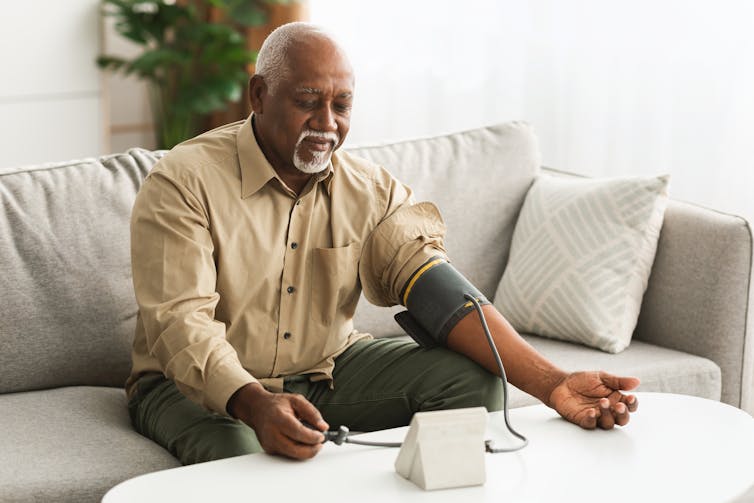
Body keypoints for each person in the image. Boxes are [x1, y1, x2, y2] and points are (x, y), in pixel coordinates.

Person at [126, 22, 639, 465]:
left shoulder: (369, 189)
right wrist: (255, 403)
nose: (327, 124)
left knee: (476, 384)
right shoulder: (183, 181)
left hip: (324, 373)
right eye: (308, 102)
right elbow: (180, 324)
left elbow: (438, 294)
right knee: (246, 462)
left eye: (341, 105)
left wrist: (552, 384)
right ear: (258, 95)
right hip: (191, 387)